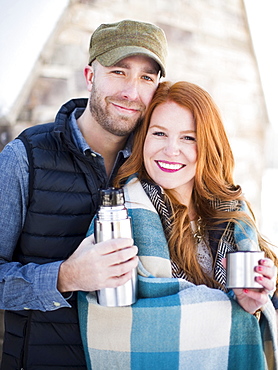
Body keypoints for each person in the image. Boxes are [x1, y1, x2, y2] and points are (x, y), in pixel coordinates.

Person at [0, 19, 167, 369]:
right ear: (90, 76)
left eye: (146, 78)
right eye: (119, 71)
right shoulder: (24, 158)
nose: (132, 92)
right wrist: (65, 277)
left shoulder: (159, 163)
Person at [79, 81, 278, 369]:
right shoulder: (119, 218)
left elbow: (257, 316)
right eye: (159, 133)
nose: (171, 150)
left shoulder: (233, 213)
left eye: (188, 138)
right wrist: (231, 310)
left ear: (209, 145)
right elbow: (112, 323)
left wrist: (258, 296)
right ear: (143, 139)